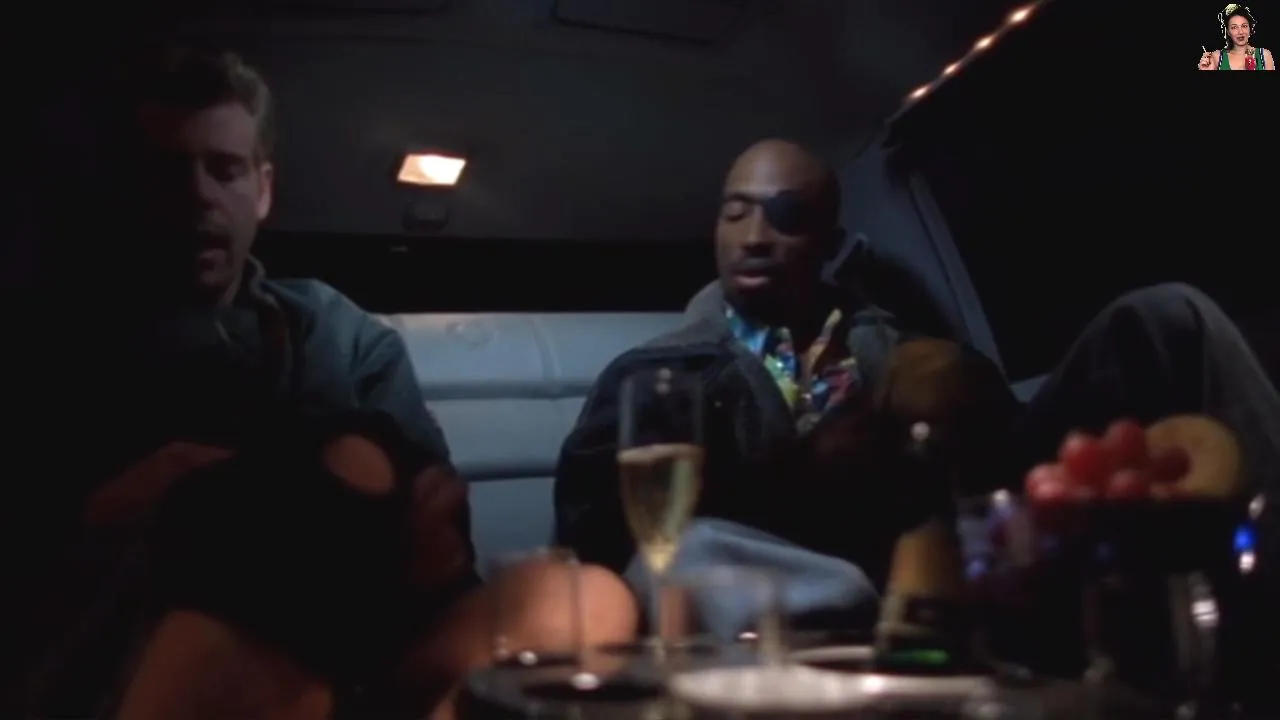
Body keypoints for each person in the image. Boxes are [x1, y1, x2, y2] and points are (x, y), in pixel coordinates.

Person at [8, 48, 635, 720]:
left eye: (224, 170)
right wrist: (98, 514)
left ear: (263, 189)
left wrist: (430, 527)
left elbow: (434, 511)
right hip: (159, 640)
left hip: (376, 631)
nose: (198, 195)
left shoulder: (336, 330)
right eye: (167, 173)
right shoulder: (58, 342)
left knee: (587, 599)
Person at [555, 138, 1280, 667]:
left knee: (1166, 319)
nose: (753, 237)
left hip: (963, 561)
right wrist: (796, 478)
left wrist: (962, 402)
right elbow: (602, 547)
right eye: (734, 213)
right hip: (788, 590)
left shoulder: (905, 343)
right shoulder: (655, 372)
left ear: (829, 242)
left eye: (785, 215)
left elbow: (1001, 461)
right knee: (694, 553)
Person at [1199, 4, 1275, 69]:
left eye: (1244, 26)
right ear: (1228, 32)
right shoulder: (1217, 57)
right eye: (1234, 27)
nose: (1240, 32)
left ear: (1250, 28)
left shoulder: (1264, 55)